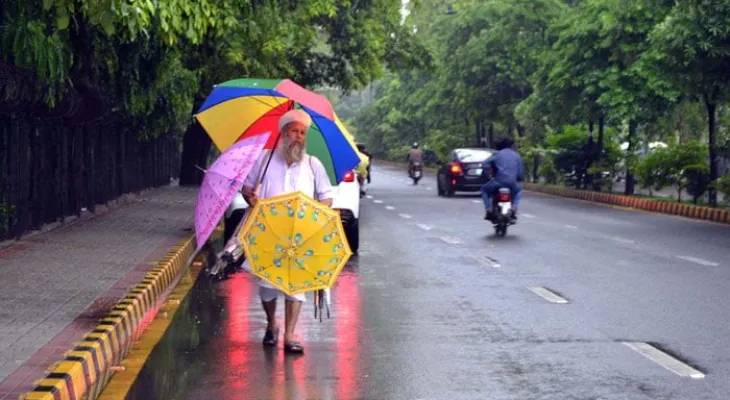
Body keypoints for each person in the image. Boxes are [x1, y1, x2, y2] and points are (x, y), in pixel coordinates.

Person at [241, 109, 333, 355]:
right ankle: (272, 324)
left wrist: (314, 216)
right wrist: (251, 198)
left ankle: (290, 335)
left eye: (302, 133)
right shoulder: (264, 159)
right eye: (294, 131)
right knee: (267, 286)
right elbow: (247, 189)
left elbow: (326, 198)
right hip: (267, 233)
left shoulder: (313, 164)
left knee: (297, 286)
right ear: (283, 133)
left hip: (300, 236)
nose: (298, 137)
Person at [481, 137, 524, 220]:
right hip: (512, 183)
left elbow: (484, 164)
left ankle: (488, 209)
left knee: (484, 190)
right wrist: (518, 179)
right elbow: (520, 173)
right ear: (511, 146)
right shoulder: (516, 155)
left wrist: (488, 175)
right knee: (518, 191)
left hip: (498, 182)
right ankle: (514, 207)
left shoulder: (497, 154)